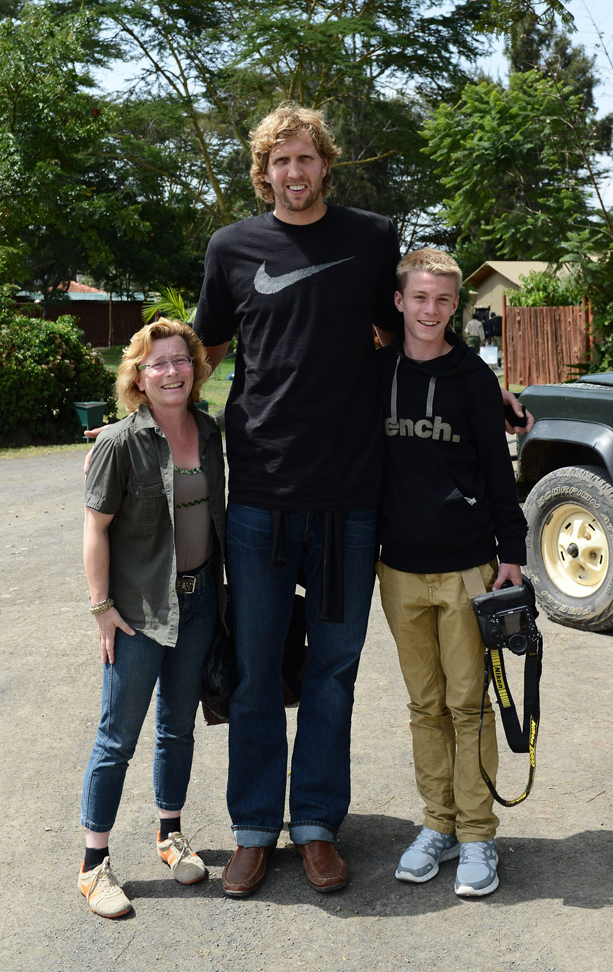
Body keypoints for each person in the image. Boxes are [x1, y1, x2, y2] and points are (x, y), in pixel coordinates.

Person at [191, 104, 532, 898]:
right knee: (253, 673)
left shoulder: (371, 237)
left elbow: (417, 330)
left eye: (306, 158)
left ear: (324, 163)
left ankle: (314, 828)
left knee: (333, 674)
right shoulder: (231, 248)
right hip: (261, 501)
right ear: (263, 170)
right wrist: (142, 405)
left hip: (350, 504)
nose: (295, 173)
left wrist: (489, 394)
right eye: (280, 162)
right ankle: (251, 832)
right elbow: (202, 346)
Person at [376, 249, 527, 898]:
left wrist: (512, 555)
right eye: (419, 298)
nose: (431, 310)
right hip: (397, 570)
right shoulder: (372, 373)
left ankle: (475, 836)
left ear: (454, 307)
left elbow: (500, 476)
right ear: (398, 301)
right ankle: (436, 824)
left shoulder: (472, 380)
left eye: (443, 300)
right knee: (424, 706)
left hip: (468, 567)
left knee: (468, 706)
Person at [78, 318, 226, 918]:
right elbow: (96, 528)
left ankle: (169, 834)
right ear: (138, 376)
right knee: (118, 737)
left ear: (195, 369)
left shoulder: (210, 432)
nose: (170, 371)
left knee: (177, 727)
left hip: (198, 604)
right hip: (137, 612)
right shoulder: (119, 442)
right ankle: (93, 866)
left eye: (180, 360)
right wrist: (102, 608)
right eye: (157, 363)